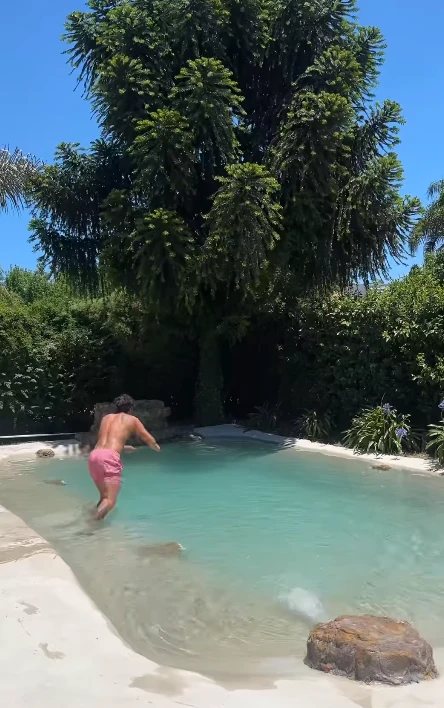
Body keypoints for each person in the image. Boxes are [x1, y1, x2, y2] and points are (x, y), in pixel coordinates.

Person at [88, 394, 160, 520]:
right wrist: (156, 448)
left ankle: (95, 522)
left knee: (104, 498)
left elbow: (105, 442)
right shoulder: (132, 419)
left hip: (94, 456)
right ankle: (90, 525)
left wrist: (124, 447)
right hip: (109, 458)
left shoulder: (106, 418)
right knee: (110, 502)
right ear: (131, 408)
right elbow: (149, 439)